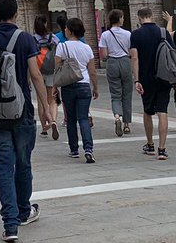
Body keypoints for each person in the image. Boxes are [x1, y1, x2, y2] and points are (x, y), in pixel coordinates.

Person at [0, 0, 52, 243]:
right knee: (23, 163)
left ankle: (10, 225)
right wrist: (45, 108)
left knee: (3, 167)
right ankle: (23, 212)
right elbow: (36, 76)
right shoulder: (25, 39)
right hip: (22, 112)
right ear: (16, 13)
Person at [129, 7, 175, 160]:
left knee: (148, 111)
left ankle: (150, 145)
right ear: (152, 16)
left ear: (139, 18)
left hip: (146, 78)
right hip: (164, 76)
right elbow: (172, 54)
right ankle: (162, 149)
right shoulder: (163, 32)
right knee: (163, 111)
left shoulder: (136, 34)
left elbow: (134, 58)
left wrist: (137, 79)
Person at [54, 17, 98, 162]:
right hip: (84, 85)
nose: (65, 30)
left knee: (71, 119)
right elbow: (92, 71)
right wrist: (95, 87)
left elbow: (57, 69)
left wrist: (55, 87)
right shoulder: (87, 48)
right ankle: (88, 149)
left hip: (68, 86)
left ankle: (74, 149)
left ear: (71, 30)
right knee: (83, 118)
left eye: (66, 28)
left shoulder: (62, 47)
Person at [98, 9, 133, 137]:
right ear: (119, 19)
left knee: (115, 93)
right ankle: (126, 124)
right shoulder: (128, 34)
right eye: (122, 17)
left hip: (112, 62)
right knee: (127, 93)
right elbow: (130, 51)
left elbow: (104, 55)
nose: (123, 19)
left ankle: (117, 116)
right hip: (125, 61)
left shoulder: (105, 35)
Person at [31, 16, 59, 140]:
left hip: (38, 72)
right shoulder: (53, 38)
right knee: (52, 99)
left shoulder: (32, 39)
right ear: (46, 24)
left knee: (41, 100)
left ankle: (44, 128)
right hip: (51, 71)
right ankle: (53, 120)